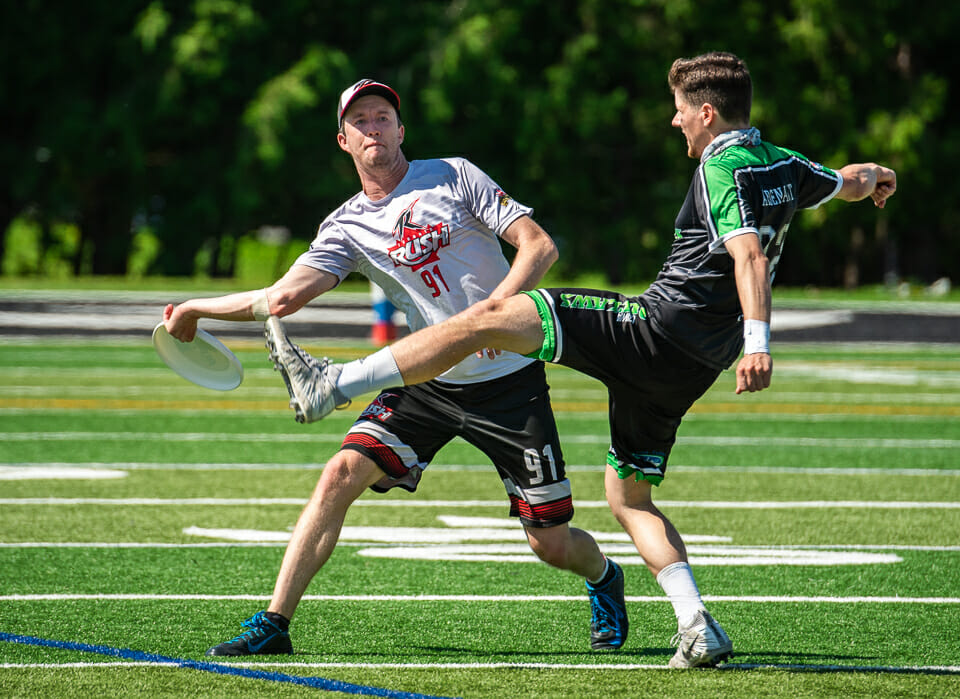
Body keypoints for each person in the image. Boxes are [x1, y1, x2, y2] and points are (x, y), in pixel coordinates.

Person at [269, 52, 898, 668]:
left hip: (653, 331)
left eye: (680, 111)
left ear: (706, 113)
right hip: (692, 367)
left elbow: (749, 257)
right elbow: (844, 182)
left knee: (492, 318)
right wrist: (872, 177)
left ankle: (335, 382)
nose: (674, 122)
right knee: (629, 498)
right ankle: (696, 624)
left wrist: (761, 345)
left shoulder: (722, 168)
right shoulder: (784, 163)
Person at [162, 79, 628, 656]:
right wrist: (193, 309)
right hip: (425, 381)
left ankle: (605, 576)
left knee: (550, 542)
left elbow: (538, 247)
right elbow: (280, 299)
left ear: (401, 130)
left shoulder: (455, 174)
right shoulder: (346, 225)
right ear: (345, 141)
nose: (374, 126)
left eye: (383, 116)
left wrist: (492, 313)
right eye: (361, 121)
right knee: (338, 476)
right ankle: (275, 622)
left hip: (510, 384)